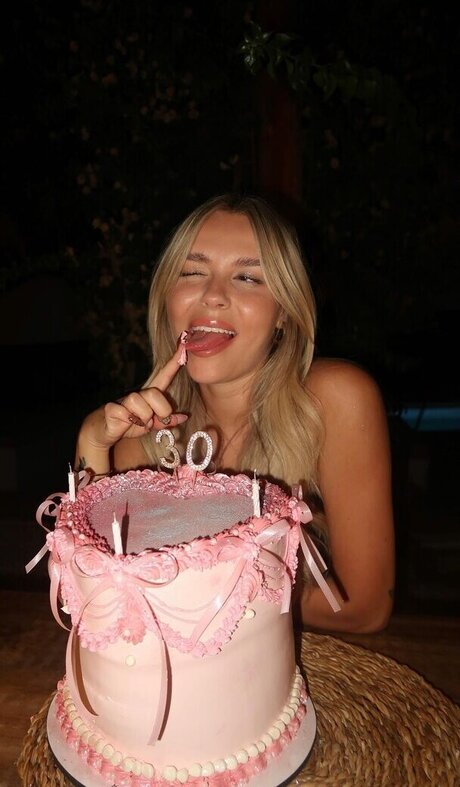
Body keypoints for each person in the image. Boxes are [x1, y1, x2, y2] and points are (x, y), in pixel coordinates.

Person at [75, 193, 394, 633]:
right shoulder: (144, 439)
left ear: (283, 313)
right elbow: (97, 598)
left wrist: (196, 594)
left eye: (247, 277)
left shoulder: (336, 400)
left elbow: (365, 607)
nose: (213, 295)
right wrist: (92, 440)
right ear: (167, 299)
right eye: (192, 272)